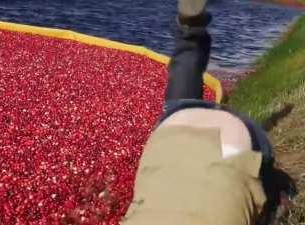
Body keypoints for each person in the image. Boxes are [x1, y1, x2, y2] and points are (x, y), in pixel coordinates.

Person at [121, 0, 287, 224]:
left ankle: (282, 198)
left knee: (259, 196)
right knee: (181, 104)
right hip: (172, 130)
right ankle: (189, 32)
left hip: (238, 141)